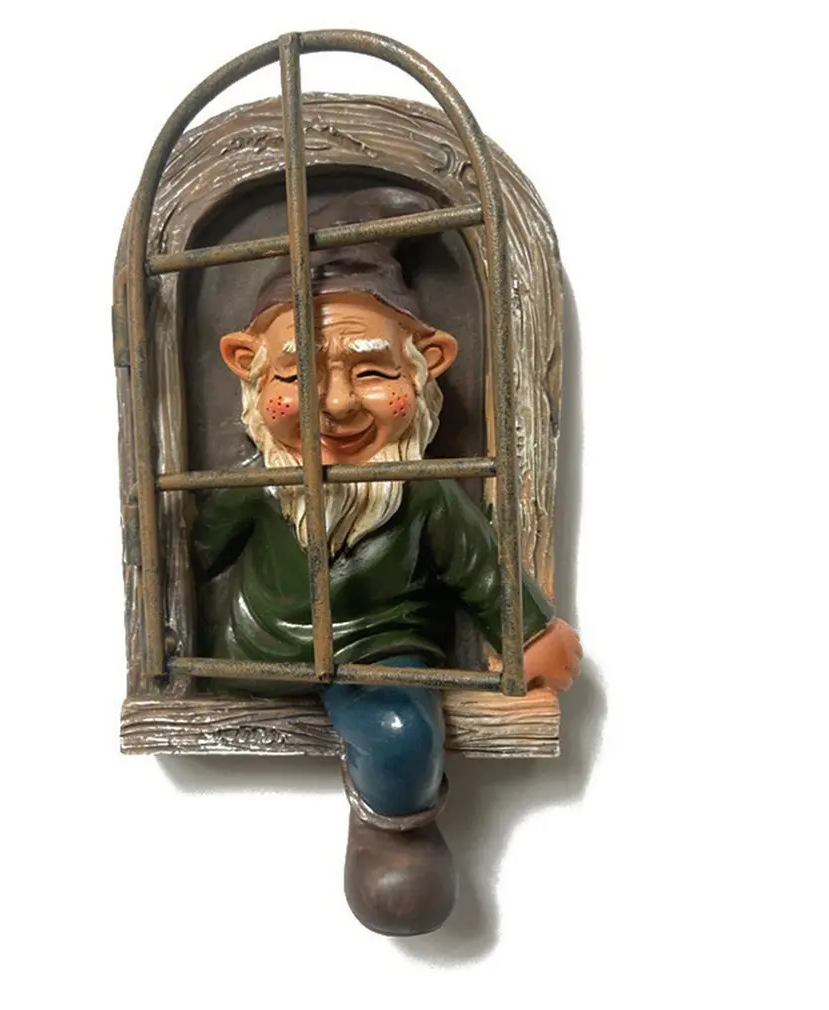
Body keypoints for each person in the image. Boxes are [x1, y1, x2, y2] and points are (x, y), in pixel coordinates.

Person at [193, 187, 581, 936]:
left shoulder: (423, 496)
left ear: (425, 369)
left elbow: (481, 570)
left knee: (406, 733)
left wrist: (531, 631)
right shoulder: (255, 488)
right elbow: (194, 558)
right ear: (248, 370)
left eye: (372, 374)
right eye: (297, 377)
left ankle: (395, 826)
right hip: (258, 655)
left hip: (379, 657)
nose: (337, 404)